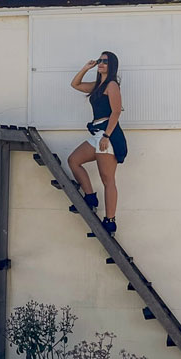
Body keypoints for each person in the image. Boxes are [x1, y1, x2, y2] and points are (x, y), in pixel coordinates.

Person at [67, 51, 127, 234]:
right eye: (100, 60)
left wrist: (106, 136)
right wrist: (86, 67)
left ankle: (110, 220)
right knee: (74, 161)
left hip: (107, 134)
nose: (101, 63)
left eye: (105, 61)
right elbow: (75, 84)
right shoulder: (97, 86)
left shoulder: (112, 85)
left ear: (112, 65)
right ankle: (91, 197)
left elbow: (116, 112)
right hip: (96, 133)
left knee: (107, 179)